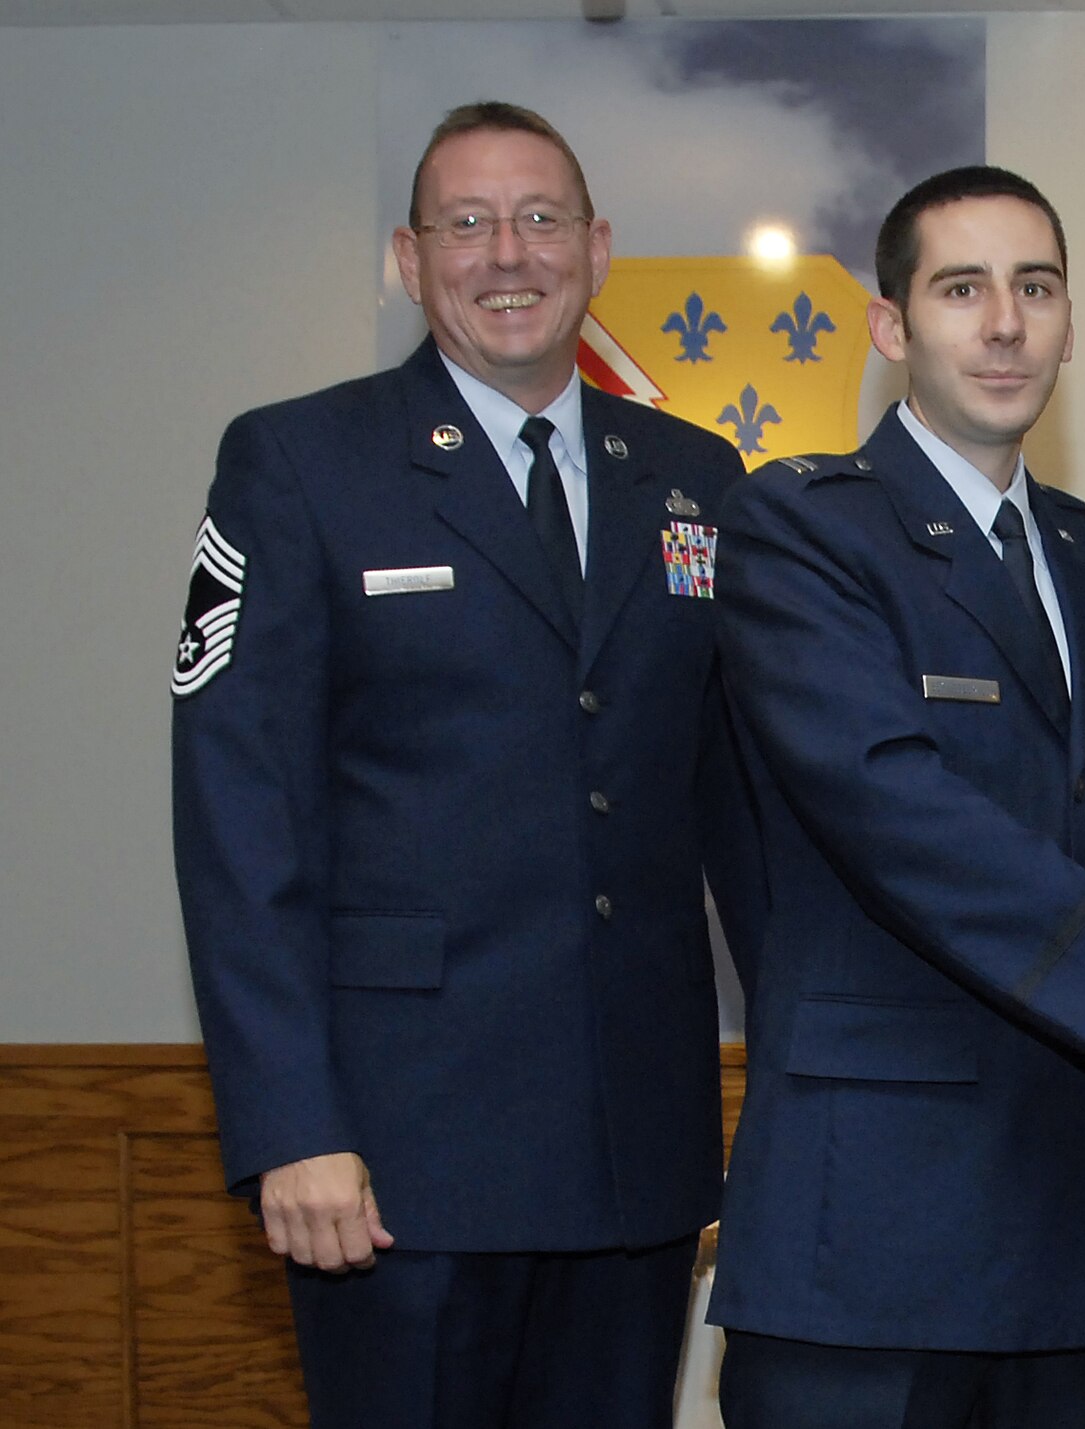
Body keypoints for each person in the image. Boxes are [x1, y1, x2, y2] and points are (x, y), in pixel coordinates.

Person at [706, 165, 1085, 1429]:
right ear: (892, 326)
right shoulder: (801, 526)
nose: (1004, 322)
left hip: (1069, 1221)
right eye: (961, 288)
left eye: (1033, 287)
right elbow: (898, 810)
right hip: (869, 1231)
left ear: (1064, 319)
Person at [171, 101, 761, 1428]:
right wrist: (288, 1125)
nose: (511, 253)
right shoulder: (300, 463)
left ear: (598, 248)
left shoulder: (693, 478)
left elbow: (744, 808)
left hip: (635, 1154)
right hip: (395, 1160)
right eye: (469, 223)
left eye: (542, 218)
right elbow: (239, 821)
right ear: (408, 255)